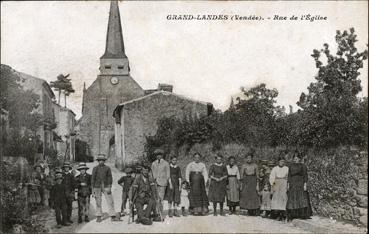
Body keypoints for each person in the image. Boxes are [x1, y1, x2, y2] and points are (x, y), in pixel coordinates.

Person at [91, 154, 121, 222]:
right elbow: (92, 179)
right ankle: (99, 215)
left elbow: (110, 178)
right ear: (98, 161)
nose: (101, 162)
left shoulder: (107, 168)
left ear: (104, 161)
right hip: (97, 186)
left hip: (106, 186)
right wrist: (92, 190)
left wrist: (109, 187)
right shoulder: (95, 168)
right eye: (100, 160)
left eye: (102, 160)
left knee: (110, 201)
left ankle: (112, 215)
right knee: (98, 201)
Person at [286, 153, 310, 221]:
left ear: (299, 159)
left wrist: (305, 184)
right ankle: (292, 215)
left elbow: (305, 175)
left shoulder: (303, 166)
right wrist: (288, 184)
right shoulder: (290, 166)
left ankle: (301, 214)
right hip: (293, 183)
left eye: (296, 158)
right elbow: (289, 176)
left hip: (300, 183)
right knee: (292, 198)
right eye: (294, 158)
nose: (295, 160)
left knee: (301, 197)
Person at [151, 149, 171, 217]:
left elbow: (168, 174)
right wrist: (153, 181)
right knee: (155, 198)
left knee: (161, 198)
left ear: (162, 156)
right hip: (155, 183)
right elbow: (152, 173)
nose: (158, 156)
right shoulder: (153, 163)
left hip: (163, 183)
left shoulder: (166, 163)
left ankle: (160, 213)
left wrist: (166, 181)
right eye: (157, 155)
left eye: (160, 155)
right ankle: (156, 212)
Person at [269, 157, 289, 221]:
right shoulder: (275, 168)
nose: (282, 163)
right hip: (277, 182)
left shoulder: (286, 168)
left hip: (284, 182)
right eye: (280, 161)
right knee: (276, 197)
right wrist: (273, 186)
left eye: (283, 161)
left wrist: (287, 185)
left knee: (283, 197)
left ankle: (283, 214)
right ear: (278, 162)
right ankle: (276, 214)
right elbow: (272, 178)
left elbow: (288, 177)